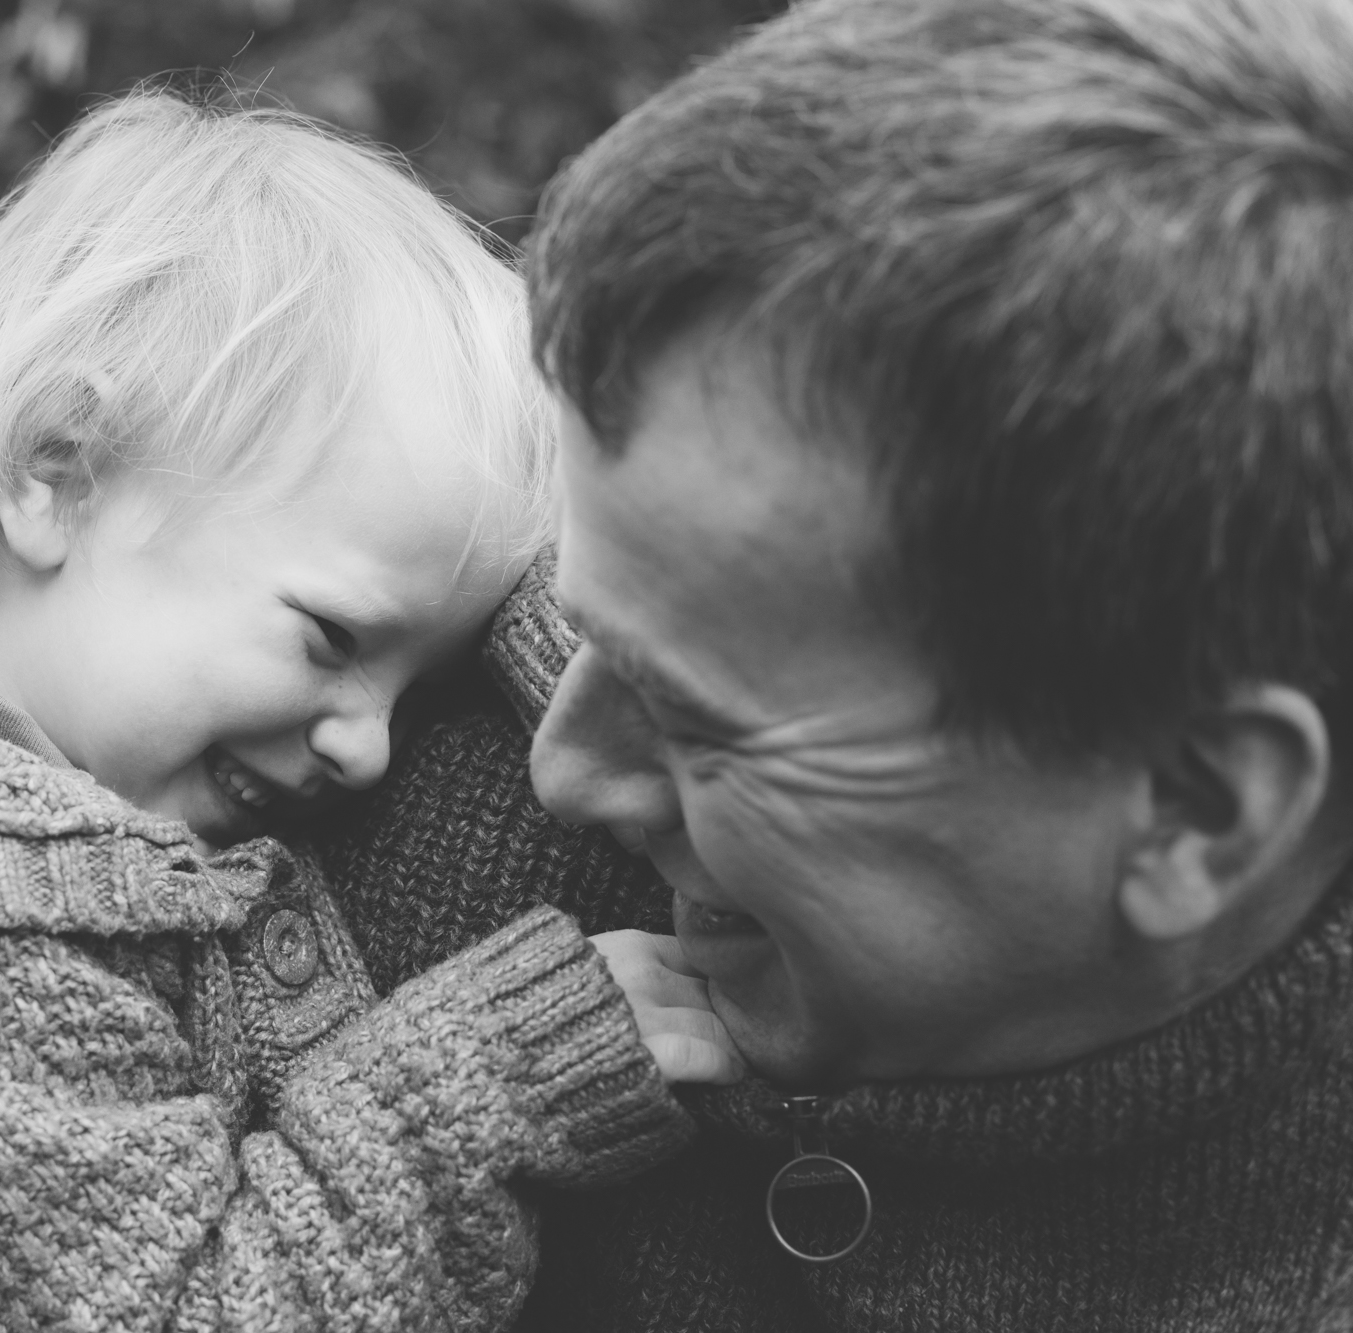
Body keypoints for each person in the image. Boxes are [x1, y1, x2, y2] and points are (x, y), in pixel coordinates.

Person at [0, 94, 739, 1333]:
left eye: (413, 689)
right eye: (333, 639)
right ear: (54, 478)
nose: (369, 744)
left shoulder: (25, 820)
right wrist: (491, 1075)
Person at [325, 0, 1353, 1325]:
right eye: (578, 617)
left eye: (699, 722)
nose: (566, 768)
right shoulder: (327, 767)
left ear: (1197, 808)